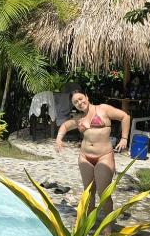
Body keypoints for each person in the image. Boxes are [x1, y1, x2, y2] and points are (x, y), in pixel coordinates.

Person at [54, 89, 130, 228]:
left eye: (81, 99)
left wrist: (124, 138)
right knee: (88, 192)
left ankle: (108, 224)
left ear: (87, 97)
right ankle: (89, 222)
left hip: (104, 156)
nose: (79, 103)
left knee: (103, 192)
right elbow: (65, 126)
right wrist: (59, 139)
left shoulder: (103, 109)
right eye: (75, 102)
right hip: (85, 157)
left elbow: (125, 117)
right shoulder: (79, 119)